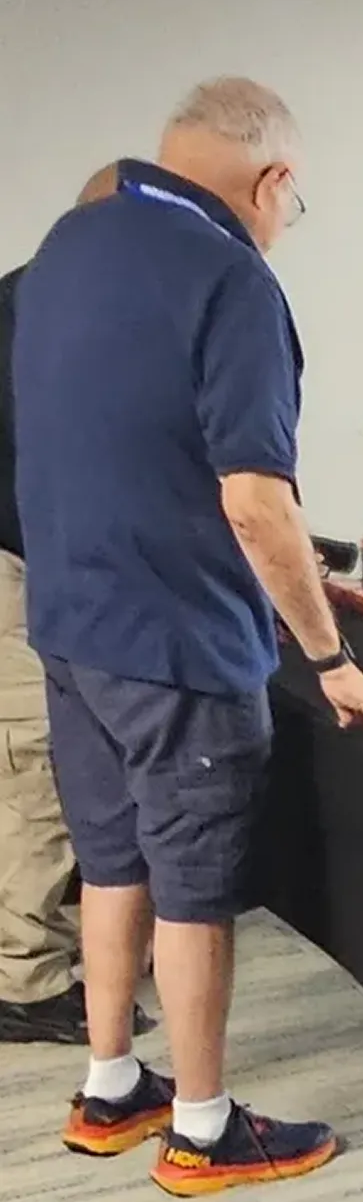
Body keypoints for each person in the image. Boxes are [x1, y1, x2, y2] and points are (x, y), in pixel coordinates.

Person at [14, 81, 363, 1197]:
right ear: (274, 181)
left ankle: (111, 1087)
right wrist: (333, 660)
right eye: (293, 204)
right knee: (193, 885)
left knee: (112, 859)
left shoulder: (68, 246)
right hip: (175, 645)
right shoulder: (231, 278)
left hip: (71, 625)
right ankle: (204, 1129)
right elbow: (256, 500)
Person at [0, 165, 149, 1046]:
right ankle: (25, 981)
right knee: (40, 769)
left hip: (48, 565)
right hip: (11, 569)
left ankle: (76, 948)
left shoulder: (57, 300)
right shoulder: (34, 314)